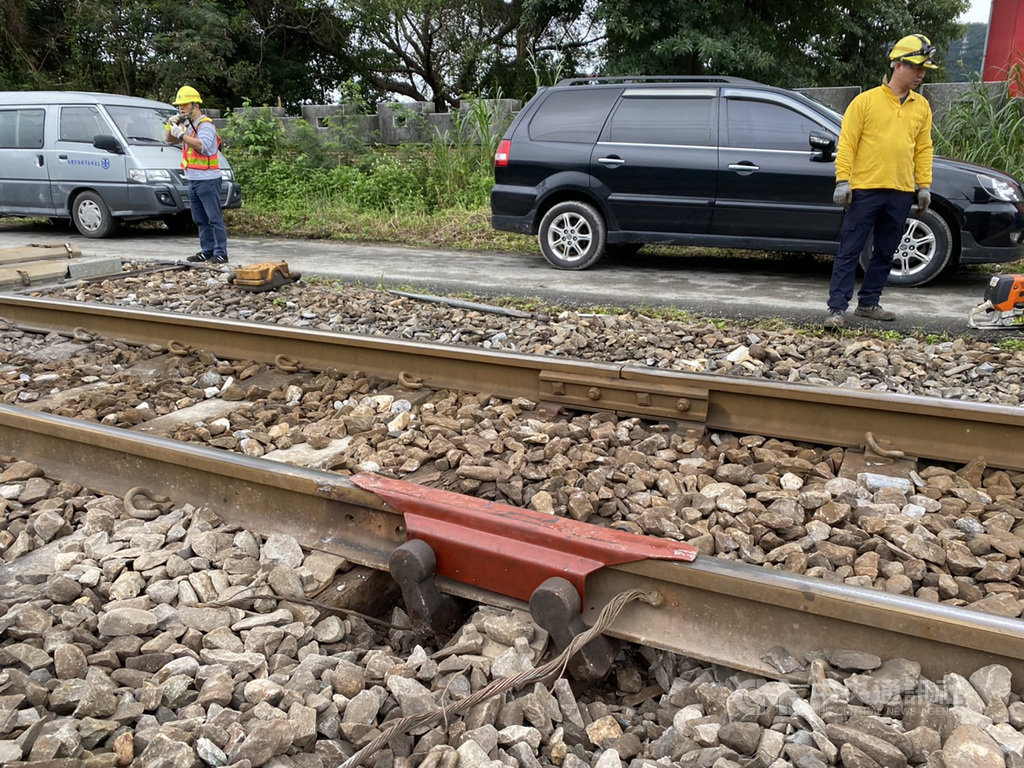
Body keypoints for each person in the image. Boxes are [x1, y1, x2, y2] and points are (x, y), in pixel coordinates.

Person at [824, 34, 937, 329]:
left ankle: (869, 303)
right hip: (865, 189)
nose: (921, 74)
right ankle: (837, 308)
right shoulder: (865, 102)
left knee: (886, 251)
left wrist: (923, 185)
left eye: (924, 68)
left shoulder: (921, 106)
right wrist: (842, 181)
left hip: (901, 190)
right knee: (850, 249)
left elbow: (924, 147)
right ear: (898, 65)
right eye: (916, 67)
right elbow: (847, 143)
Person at [165, 85, 228, 264]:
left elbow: (204, 147)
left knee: (214, 218)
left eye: (184, 105)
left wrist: (182, 135)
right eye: (179, 106)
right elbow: (168, 140)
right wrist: (171, 126)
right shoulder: (188, 125)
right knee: (200, 218)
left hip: (208, 179)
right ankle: (207, 250)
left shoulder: (205, 124)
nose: (181, 108)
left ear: (195, 105)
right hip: (193, 179)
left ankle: (220, 252)